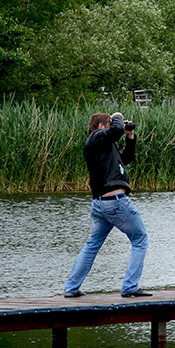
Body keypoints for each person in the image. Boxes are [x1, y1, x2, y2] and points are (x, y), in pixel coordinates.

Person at [63, 112, 151, 298]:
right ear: (102, 126)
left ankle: (71, 288)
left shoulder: (103, 146)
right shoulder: (95, 138)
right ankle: (130, 286)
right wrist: (117, 116)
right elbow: (116, 129)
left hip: (101, 205)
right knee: (140, 239)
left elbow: (125, 159)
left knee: (92, 244)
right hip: (115, 203)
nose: (113, 126)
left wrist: (130, 136)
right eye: (109, 123)